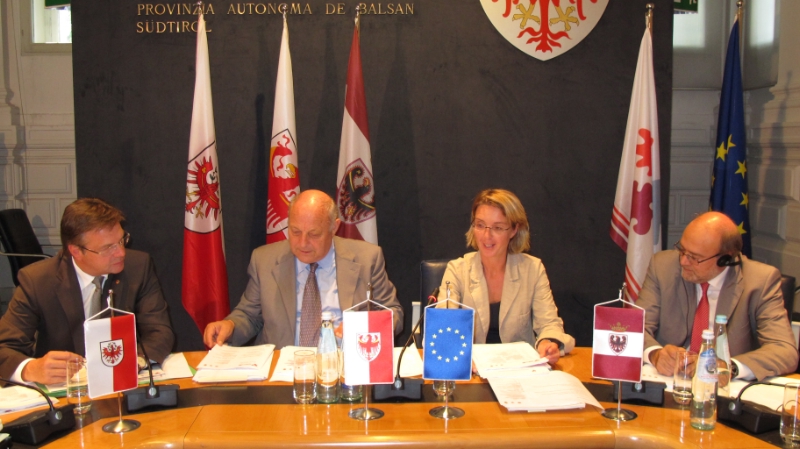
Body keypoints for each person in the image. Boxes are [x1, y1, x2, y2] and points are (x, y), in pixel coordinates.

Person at [0, 198, 175, 384]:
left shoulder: (138, 267)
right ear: (76, 251)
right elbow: (5, 347)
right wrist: (30, 369)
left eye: (121, 240)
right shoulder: (37, 281)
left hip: (120, 386)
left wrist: (136, 361)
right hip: (64, 390)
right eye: (108, 247)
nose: (121, 252)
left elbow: (160, 331)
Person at [203, 189, 403, 349]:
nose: (303, 243)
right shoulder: (264, 261)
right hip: (283, 372)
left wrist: (364, 327)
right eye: (295, 231)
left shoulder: (367, 259)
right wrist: (230, 325)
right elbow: (249, 315)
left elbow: (393, 313)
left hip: (345, 365)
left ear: (334, 228)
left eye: (314, 234)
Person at [639, 211, 798, 381]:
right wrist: (654, 354)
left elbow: (784, 351)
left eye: (695, 257)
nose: (683, 261)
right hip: (669, 381)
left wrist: (728, 367)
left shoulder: (760, 281)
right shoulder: (662, 266)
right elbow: (635, 328)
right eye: (682, 250)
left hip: (724, 390)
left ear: (725, 259)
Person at [437, 189, 574, 365]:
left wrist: (547, 343)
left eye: (498, 228)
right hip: (472, 369)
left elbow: (549, 323)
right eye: (480, 225)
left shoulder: (532, 269)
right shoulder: (457, 270)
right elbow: (443, 326)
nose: (487, 235)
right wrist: (459, 357)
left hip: (520, 369)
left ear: (514, 230)